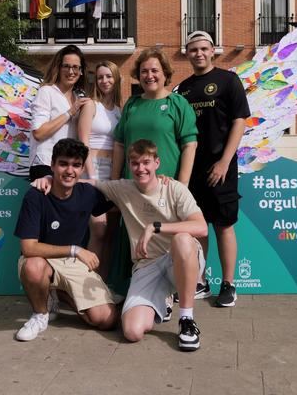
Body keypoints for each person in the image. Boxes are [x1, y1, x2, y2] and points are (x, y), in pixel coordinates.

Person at [33, 139, 208, 351]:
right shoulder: (123, 188)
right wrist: (50, 178)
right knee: (132, 332)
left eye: (146, 162)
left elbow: (201, 228)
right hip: (148, 266)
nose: (140, 168)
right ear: (129, 165)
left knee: (182, 239)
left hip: (178, 258)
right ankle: (162, 299)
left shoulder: (174, 188)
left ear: (157, 163)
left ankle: (187, 320)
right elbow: (85, 183)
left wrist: (155, 226)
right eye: (135, 163)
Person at [14, 138, 118, 342]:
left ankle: (58, 294)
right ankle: (40, 314)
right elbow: (28, 248)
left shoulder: (87, 193)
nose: (69, 170)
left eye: (76, 165)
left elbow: (120, 202)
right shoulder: (35, 196)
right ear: (52, 165)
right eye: (63, 164)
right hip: (42, 260)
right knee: (33, 267)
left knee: (106, 320)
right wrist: (75, 250)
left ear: (81, 169)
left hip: (72, 265)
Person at [176, 31, 250, 307]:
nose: (199, 53)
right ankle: (200, 281)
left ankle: (229, 285)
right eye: (193, 49)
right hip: (193, 170)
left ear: (213, 51)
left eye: (204, 49)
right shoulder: (182, 89)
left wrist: (224, 162)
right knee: (198, 229)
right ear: (187, 53)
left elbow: (239, 121)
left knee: (223, 226)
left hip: (222, 169)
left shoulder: (228, 80)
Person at [111, 48, 197, 184]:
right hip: (131, 186)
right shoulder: (132, 104)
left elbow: (189, 145)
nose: (149, 75)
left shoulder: (178, 103)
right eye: (144, 71)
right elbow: (119, 144)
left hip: (165, 186)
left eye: (154, 70)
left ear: (165, 73)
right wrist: (114, 183)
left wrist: (182, 186)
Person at [77, 61, 122, 279]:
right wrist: (92, 176)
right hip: (92, 171)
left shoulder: (120, 110)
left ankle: (103, 286)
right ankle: (88, 285)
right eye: (101, 77)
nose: (105, 81)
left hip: (113, 174)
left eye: (109, 76)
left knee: (112, 232)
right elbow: (83, 142)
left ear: (116, 79)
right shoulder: (90, 105)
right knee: (99, 229)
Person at [29, 45, 92, 181]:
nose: (71, 71)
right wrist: (69, 112)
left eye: (75, 67)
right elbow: (39, 133)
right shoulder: (46, 92)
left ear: (81, 71)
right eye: (66, 66)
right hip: (45, 165)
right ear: (58, 67)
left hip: (68, 168)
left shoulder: (79, 97)